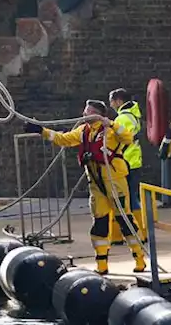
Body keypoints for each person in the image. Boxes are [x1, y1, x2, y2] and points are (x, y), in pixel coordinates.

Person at [24, 100, 147, 275]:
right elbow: (63, 139)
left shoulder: (111, 130)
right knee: (99, 223)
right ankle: (102, 265)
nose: (83, 114)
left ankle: (139, 259)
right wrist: (40, 130)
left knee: (124, 220)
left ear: (96, 113)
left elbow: (127, 137)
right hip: (96, 184)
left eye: (87, 111)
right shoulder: (83, 131)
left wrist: (110, 123)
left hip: (115, 181)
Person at [107, 89, 146, 245]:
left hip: (124, 162)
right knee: (132, 197)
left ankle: (121, 235)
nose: (110, 105)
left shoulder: (122, 119)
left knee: (121, 198)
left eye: (111, 101)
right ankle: (141, 233)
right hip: (134, 161)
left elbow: (118, 140)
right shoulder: (134, 115)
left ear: (118, 101)